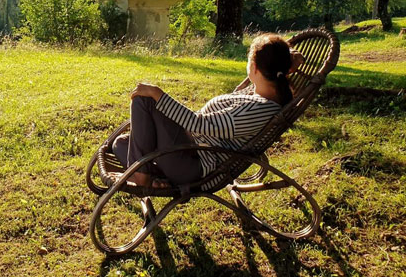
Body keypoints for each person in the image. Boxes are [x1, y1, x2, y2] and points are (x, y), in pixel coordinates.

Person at [111, 34, 304, 189]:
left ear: (253, 67)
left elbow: (199, 124)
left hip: (193, 164)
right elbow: (249, 85)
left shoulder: (259, 110)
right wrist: (287, 65)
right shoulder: (262, 94)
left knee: (145, 100)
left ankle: (142, 177)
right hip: (187, 148)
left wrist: (158, 93)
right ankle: (153, 178)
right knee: (121, 143)